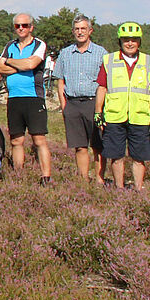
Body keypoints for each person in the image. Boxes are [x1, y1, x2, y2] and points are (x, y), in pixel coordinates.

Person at [93, 22, 150, 190]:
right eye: (126, 40)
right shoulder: (109, 60)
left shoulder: (149, 62)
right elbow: (102, 87)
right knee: (116, 156)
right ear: (120, 41)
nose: (130, 43)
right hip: (115, 115)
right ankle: (119, 189)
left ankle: (138, 189)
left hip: (140, 116)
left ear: (139, 42)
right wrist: (98, 112)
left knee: (139, 157)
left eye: (133, 40)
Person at [0, 12, 53, 183]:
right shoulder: (10, 46)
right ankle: (18, 176)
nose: (21, 29)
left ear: (31, 27)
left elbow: (32, 64)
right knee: (16, 140)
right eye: (17, 26)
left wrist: (11, 62)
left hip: (33, 97)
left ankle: (46, 176)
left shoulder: (39, 44)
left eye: (24, 25)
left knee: (39, 139)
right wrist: (20, 65)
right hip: (14, 98)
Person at [53, 16, 107, 185]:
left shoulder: (101, 53)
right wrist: (64, 106)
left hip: (94, 103)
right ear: (73, 31)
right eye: (77, 29)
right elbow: (60, 80)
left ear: (90, 31)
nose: (80, 32)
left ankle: (99, 179)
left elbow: (105, 82)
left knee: (98, 144)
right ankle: (83, 179)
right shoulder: (65, 53)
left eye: (83, 28)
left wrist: (101, 107)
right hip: (73, 104)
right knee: (80, 145)